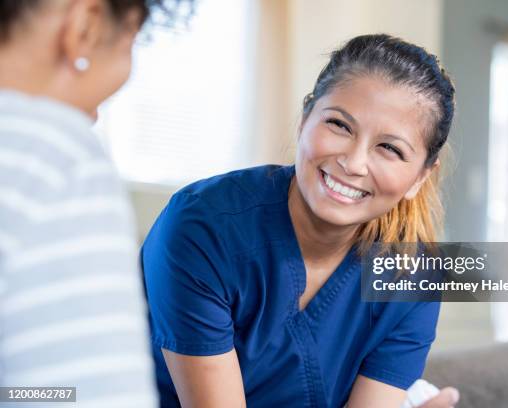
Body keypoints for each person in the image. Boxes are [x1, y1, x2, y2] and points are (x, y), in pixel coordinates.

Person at [142, 34, 460, 408]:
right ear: (305, 118)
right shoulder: (202, 229)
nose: (353, 163)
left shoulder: (412, 275)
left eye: (389, 148)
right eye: (340, 125)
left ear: (420, 177)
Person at [0, 0, 193, 406]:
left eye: (370, 146)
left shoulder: (367, 253)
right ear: (84, 24)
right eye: (338, 125)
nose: (353, 163)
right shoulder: (51, 154)